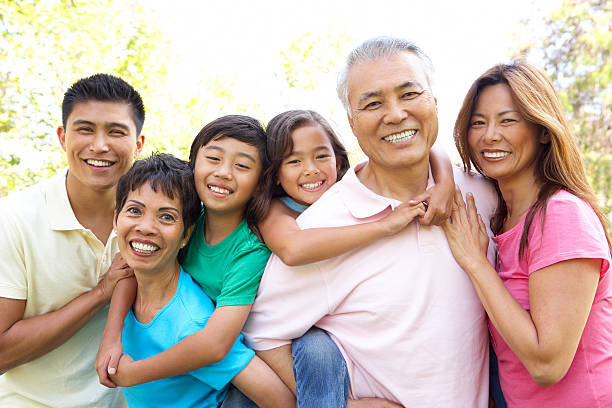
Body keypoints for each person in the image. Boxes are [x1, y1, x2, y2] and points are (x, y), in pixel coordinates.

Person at [241, 37, 498, 407]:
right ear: (352, 122)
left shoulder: (482, 195)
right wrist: (343, 404)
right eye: (373, 103)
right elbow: (263, 333)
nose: (394, 114)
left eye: (409, 94)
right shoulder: (324, 228)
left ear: (435, 102)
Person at [442, 61, 612, 407]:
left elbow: (547, 364)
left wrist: (476, 263)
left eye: (508, 120)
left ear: (543, 130)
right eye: (478, 123)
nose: (490, 135)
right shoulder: (499, 218)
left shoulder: (561, 214)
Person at [96, 116, 294, 406]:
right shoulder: (189, 219)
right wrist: (111, 338)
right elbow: (131, 269)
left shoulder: (249, 249)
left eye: (241, 165)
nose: (224, 173)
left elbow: (213, 345)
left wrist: (134, 373)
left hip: (243, 346)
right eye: (214, 158)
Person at [0, 73, 145, 407]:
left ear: (138, 143)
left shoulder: (161, 221)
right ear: (63, 137)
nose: (99, 145)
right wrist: (100, 293)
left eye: (116, 131)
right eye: (85, 129)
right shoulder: (14, 219)